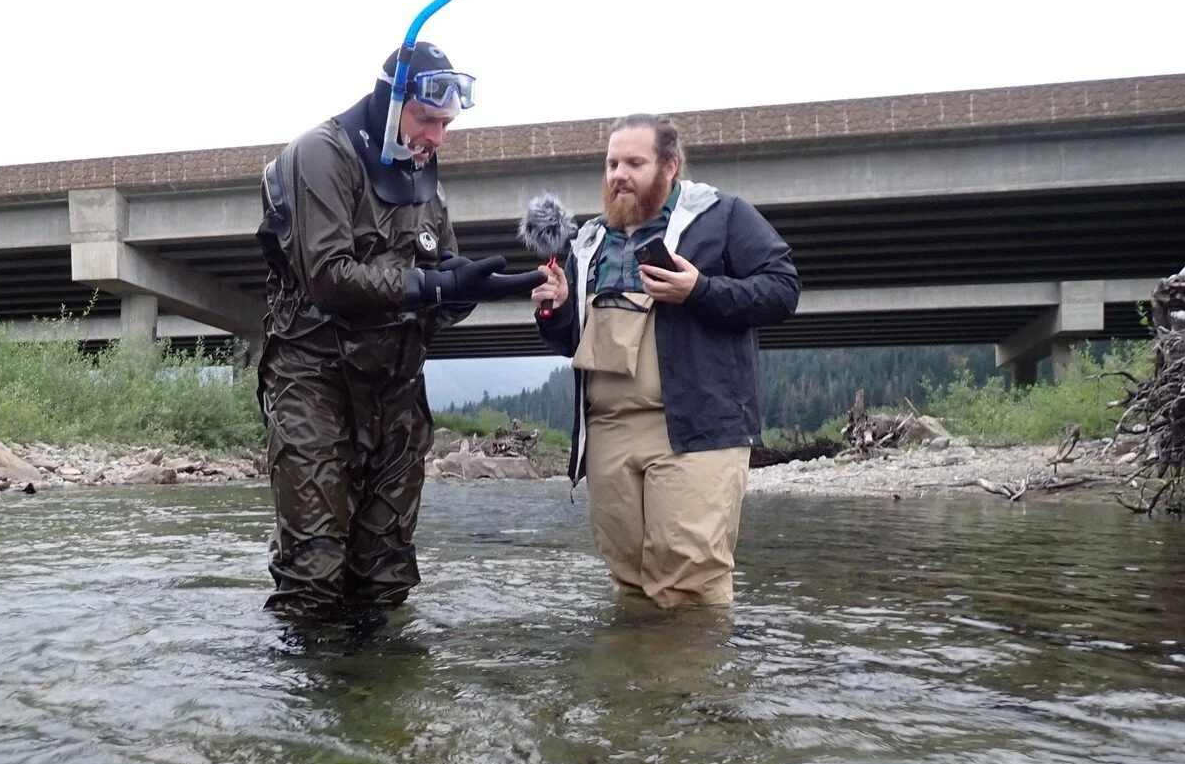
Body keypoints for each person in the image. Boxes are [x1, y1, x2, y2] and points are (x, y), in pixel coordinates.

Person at [254, 42, 541, 621]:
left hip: (397, 392)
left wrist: (467, 291)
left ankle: (376, 701)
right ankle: (298, 702)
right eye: (427, 119)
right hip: (315, 382)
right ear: (392, 103)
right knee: (313, 574)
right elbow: (330, 279)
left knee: (383, 575)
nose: (437, 137)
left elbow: (437, 289)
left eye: (445, 124)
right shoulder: (322, 154)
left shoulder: (423, 180)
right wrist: (431, 286)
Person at [530, 113, 801, 609]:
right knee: (628, 582)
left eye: (634, 162)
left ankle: (689, 688)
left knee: (687, 584)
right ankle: (634, 687)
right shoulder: (589, 241)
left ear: (670, 167)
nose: (619, 174)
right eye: (612, 163)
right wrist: (558, 309)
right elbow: (573, 341)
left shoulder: (722, 215)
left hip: (695, 429)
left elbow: (783, 290)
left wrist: (700, 289)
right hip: (608, 432)